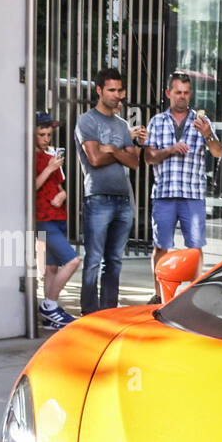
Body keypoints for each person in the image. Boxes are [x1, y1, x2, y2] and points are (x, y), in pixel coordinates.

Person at [144, 71, 222, 300]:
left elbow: (218, 152)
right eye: (178, 92)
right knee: (161, 247)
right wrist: (170, 149)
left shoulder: (202, 123)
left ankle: (192, 296)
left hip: (193, 195)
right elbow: (149, 157)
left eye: (186, 93)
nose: (182, 97)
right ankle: (159, 294)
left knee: (195, 247)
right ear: (169, 93)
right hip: (164, 194)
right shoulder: (157, 122)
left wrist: (208, 135)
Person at [74, 67, 146, 315]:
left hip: (123, 200)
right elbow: (93, 158)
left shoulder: (123, 124)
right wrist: (120, 153)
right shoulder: (87, 121)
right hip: (98, 198)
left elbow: (135, 162)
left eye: (120, 90)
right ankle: (89, 313)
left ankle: (108, 313)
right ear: (99, 90)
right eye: (111, 90)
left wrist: (112, 150)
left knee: (114, 261)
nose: (117, 95)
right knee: (93, 259)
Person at [34, 111, 79, 329]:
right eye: (42, 134)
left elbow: (59, 186)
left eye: (49, 135)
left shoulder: (51, 154)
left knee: (51, 268)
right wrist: (49, 167)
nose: (46, 139)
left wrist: (63, 195)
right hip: (43, 219)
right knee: (73, 260)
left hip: (58, 216)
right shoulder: (33, 157)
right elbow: (31, 186)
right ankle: (49, 306)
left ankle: (49, 319)